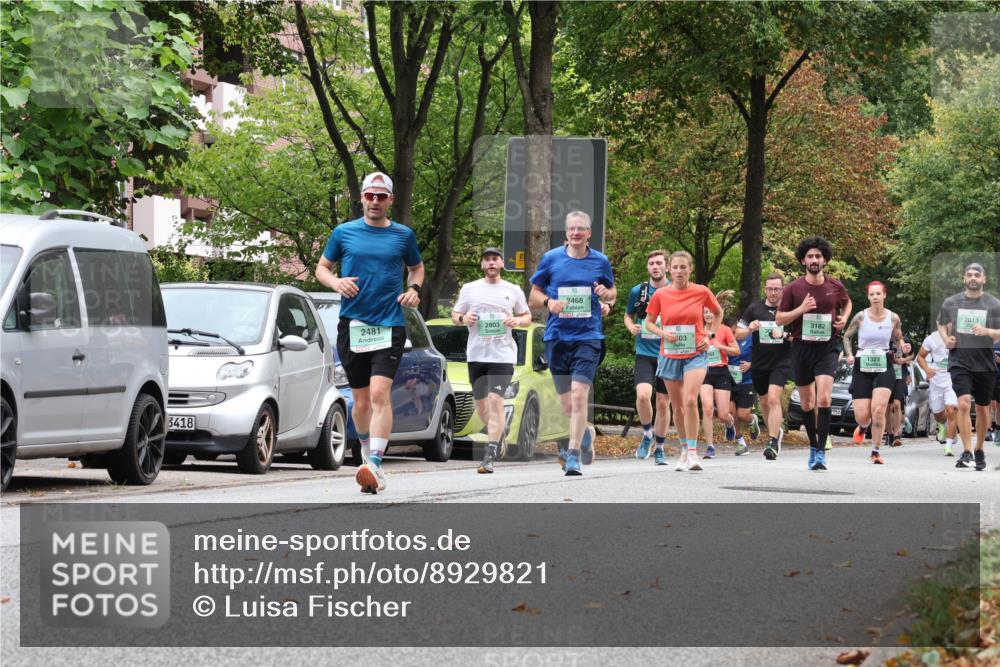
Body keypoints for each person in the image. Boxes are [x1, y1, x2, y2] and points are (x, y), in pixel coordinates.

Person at [316, 172, 424, 494]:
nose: (375, 201)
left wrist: (414, 288)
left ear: (390, 200)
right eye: (370, 196)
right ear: (362, 198)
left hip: (389, 324)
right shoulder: (343, 233)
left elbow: (416, 268)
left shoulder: (403, 236)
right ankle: (367, 453)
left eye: (381, 196)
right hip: (353, 326)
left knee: (379, 394)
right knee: (360, 403)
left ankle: (375, 464)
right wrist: (336, 282)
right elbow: (322, 268)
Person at [529, 211, 616, 476]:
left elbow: (612, 292)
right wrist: (548, 303)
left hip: (588, 336)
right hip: (557, 337)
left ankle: (574, 455)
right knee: (567, 404)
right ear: (566, 232)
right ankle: (585, 432)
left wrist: (606, 297)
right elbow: (533, 295)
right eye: (571, 229)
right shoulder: (551, 259)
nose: (576, 233)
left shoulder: (600, 261)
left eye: (581, 229)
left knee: (579, 397)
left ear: (589, 232)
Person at [452, 247, 532, 474]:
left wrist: (516, 321)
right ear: (482, 265)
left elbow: (527, 317)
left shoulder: (513, 290)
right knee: (481, 406)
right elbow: (455, 316)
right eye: (487, 260)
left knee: (496, 400)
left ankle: (490, 453)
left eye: (495, 259)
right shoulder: (470, 289)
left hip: (503, 355)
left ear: (501, 263)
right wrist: (463, 318)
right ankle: (500, 434)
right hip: (476, 355)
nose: (491, 263)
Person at [776, 236, 852, 471]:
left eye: (818, 256)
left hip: (827, 347)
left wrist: (843, 319)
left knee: (824, 399)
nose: (814, 260)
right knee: (808, 403)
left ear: (825, 260)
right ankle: (812, 444)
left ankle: (821, 452)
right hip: (801, 348)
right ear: (803, 261)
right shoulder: (793, 288)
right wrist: (801, 309)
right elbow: (779, 319)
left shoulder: (835, 286)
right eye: (810, 256)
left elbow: (847, 303)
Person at [644, 251, 722, 472]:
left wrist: (710, 336)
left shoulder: (701, 291)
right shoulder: (661, 294)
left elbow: (718, 313)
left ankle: (694, 453)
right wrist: (662, 333)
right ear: (670, 269)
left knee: (689, 400)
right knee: (677, 407)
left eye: (683, 267)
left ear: (690, 269)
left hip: (695, 352)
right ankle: (684, 449)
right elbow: (648, 322)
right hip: (669, 353)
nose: (679, 271)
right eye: (675, 267)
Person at [937, 262, 1000, 471]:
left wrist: (988, 332)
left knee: (983, 409)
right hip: (959, 360)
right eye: (969, 274)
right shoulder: (951, 302)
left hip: (985, 363)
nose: (973, 278)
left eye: (977, 275)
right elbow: (941, 322)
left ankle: (979, 449)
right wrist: (947, 339)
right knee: (963, 404)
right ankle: (967, 451)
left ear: (984, 279)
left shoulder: (993, 304)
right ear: (964, 279)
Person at [841, 281, 902, 464]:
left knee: (879, 409)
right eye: (872, 294)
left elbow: (898, 340)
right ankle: (863, 426)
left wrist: (901, 349)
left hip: (884, 363)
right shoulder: (860, 316)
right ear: (868, 297)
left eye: (878, 294)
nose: (875, 297)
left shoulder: (893, 318)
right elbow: (846, 336)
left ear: (884, 295)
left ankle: (875, 451)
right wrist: (850, 354)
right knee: (863, 415)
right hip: (862, 363)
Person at [735, 273, 791, 460]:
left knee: (774, 399)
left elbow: (798, 336)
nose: (773, 292)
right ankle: (775, 432)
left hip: (781, 362)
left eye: (777, 289)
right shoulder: (754, 309)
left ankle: (773, 441)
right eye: (770, 289)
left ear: (783, 290)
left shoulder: (788, 310)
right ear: (765, 289)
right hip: (759, 363)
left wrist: (783, 335)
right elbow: (738, 334)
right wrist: (750, 328)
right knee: (765, 403)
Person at [624, 249, 672, 464]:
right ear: (648, 268)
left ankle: (660, 447)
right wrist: (630, 327)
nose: (655, 266)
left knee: (663, 402)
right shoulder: (639, 291)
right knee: (643, 395)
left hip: (668, 354)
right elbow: (628, 315)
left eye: (659, 263)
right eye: (651, 263)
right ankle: (647, 434)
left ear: (667, 267)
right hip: (644, 352)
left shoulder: (676, 290)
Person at [699, 291, 739, 460]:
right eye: (705, 312)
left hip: (721, 371)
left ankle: (730, 424)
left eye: (711, 312)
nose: (708, 315)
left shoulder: (725, 330)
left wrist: (721, 347)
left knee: (723, 414)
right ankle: (709, 447)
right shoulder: (698, 330)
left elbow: (737, 351)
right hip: (704, 372)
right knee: (707, 409)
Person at [917, 325, 960, 456]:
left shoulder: (960, 337)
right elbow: (920, 357)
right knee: (938, 415)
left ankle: (948, 445)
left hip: (953, 379)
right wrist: (927, 370)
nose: (948, 324)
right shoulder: (931, 339)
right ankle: (942, 425)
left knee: (951, 409)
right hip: (936, 380)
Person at [728, 323, 760, 456]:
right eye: (732, 332)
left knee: (742, 415)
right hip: (729, 381)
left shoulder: (751, 338)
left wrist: (751, 364)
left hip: (747, 381)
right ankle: (741, 442)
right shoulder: (726, 339)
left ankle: (752, 419)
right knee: (731, 413)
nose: (735, 334)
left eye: (737, 331)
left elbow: (763, 355)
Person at [886, 337, 914, 447]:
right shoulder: (885, 339)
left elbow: (912, 355)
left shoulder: (905, 340)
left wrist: (904, 360)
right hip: (887, 373)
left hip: (900, 375)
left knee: (897, 404)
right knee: (888, 407)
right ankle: (889, 434)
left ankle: (897, 434)